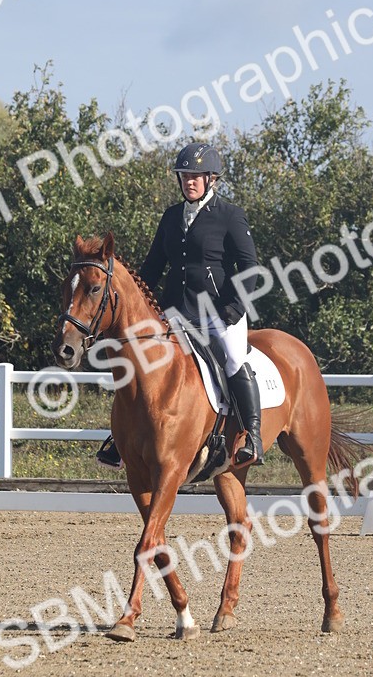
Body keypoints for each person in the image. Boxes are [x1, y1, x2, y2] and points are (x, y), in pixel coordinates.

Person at [96, 142, 264, 469]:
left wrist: (234, 308)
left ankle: (251, 436)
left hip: (220, 313)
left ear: (211, 179)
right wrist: (136, 304)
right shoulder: (172, 217)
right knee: (140, 359)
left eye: (196, 176)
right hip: (174, 312)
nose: (189, 181)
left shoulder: (230, 216)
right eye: (185, 176)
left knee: (233, 358)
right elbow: (152, 267)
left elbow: (250, 267)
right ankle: (121, 437)